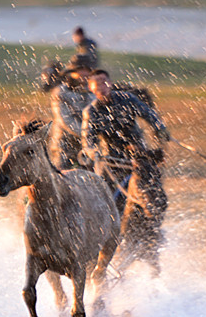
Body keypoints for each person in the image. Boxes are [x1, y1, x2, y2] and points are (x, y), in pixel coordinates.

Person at [80, 69, 169, 210]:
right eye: (96, 84)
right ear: (91, 88)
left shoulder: (127, 99)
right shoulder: (90, 112)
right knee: (104, 197)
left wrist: (160, 129)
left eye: (103, 82)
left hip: (138, 154)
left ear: (110, 83)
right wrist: (92, 151)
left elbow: (148, 114)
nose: (101, 87)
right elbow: (87, 139)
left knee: (153, 189)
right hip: (112, 160)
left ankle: (155, 217)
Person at [47, 57, 95, 169]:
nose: (84, 74)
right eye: (80, 71)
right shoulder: (61, 92)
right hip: (64, 145)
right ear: (72, 73)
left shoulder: (94, 90)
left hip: (88, 146)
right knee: (61, 176)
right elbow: (66, 120)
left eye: (87, 71)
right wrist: (89, 134)